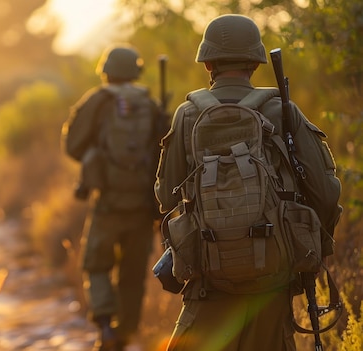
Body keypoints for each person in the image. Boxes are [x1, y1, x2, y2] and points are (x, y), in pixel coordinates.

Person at [155, 14, 342, 351]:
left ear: (207, 62)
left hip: (207, 281)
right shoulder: (282, 111)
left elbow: (165, 197)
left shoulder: (187, 115)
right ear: (256, 62)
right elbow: (326, 193)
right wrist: (309, 251)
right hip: (272, 284)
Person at [62, 44, 165, 351]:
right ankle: (125, 334)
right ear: (136, 71)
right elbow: (166, 150)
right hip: (144, 206)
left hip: (107, 201)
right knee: (133, 275)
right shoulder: (150, 104)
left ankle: (106, 326)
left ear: (106, 72)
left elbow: (73, 146)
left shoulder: (98, 100)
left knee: (97, 264)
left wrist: (98, 157)